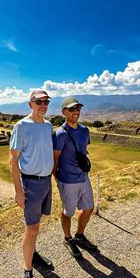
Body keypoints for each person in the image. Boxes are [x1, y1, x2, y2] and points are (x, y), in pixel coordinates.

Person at [10, 89, 54, 278]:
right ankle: (27, 272)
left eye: (46, 101)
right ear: (30, 104)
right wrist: (19, 191)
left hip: (46, 182)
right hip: (30, 183)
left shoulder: (47, 126)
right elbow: (13, 161)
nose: (43, 104)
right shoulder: (22, 126)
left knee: (36, 224)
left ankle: (33, 254)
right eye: (39, 101)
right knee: (32, 227)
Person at [53, 97, 97, 259]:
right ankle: (67, 238)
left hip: (83, 178)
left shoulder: (85, 130)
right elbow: (55, 159)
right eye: (71, 109)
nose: (75, 112)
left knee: (89, 208)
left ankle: (79, 235)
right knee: (68, 212)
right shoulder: (60, 134)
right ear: (64, 112)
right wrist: (58, 179)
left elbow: (84, 150)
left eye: (77, 108)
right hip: (68, 181)